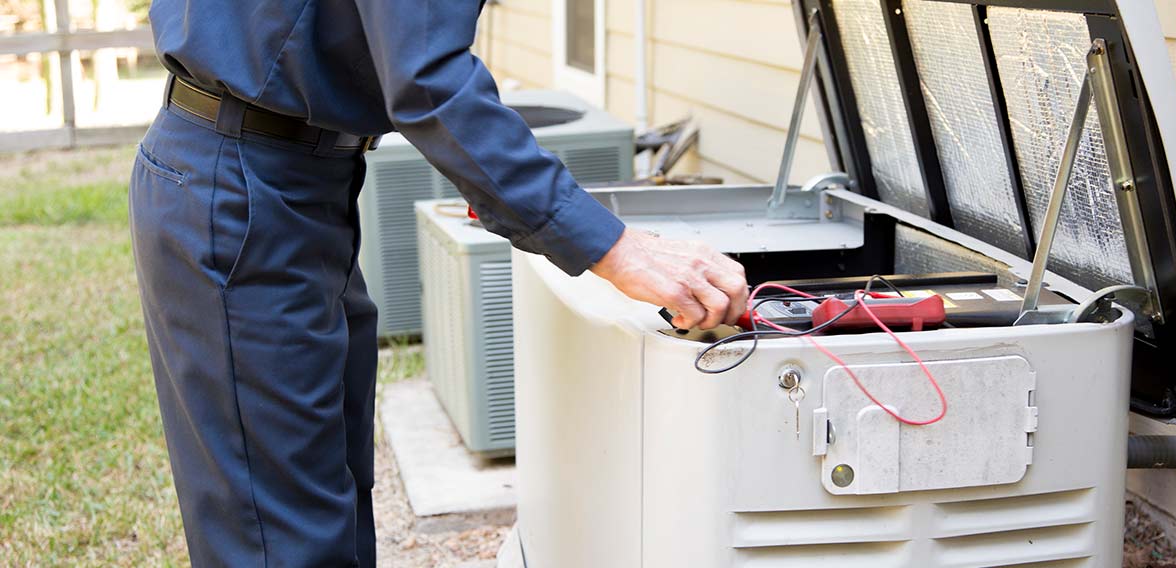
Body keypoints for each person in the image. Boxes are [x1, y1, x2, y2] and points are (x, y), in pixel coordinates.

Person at [128, 0, 748, 565]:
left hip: (292, 176)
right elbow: (428, 81)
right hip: (243, 180)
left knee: (325, 495)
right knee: (279, 533)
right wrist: (614, 246)